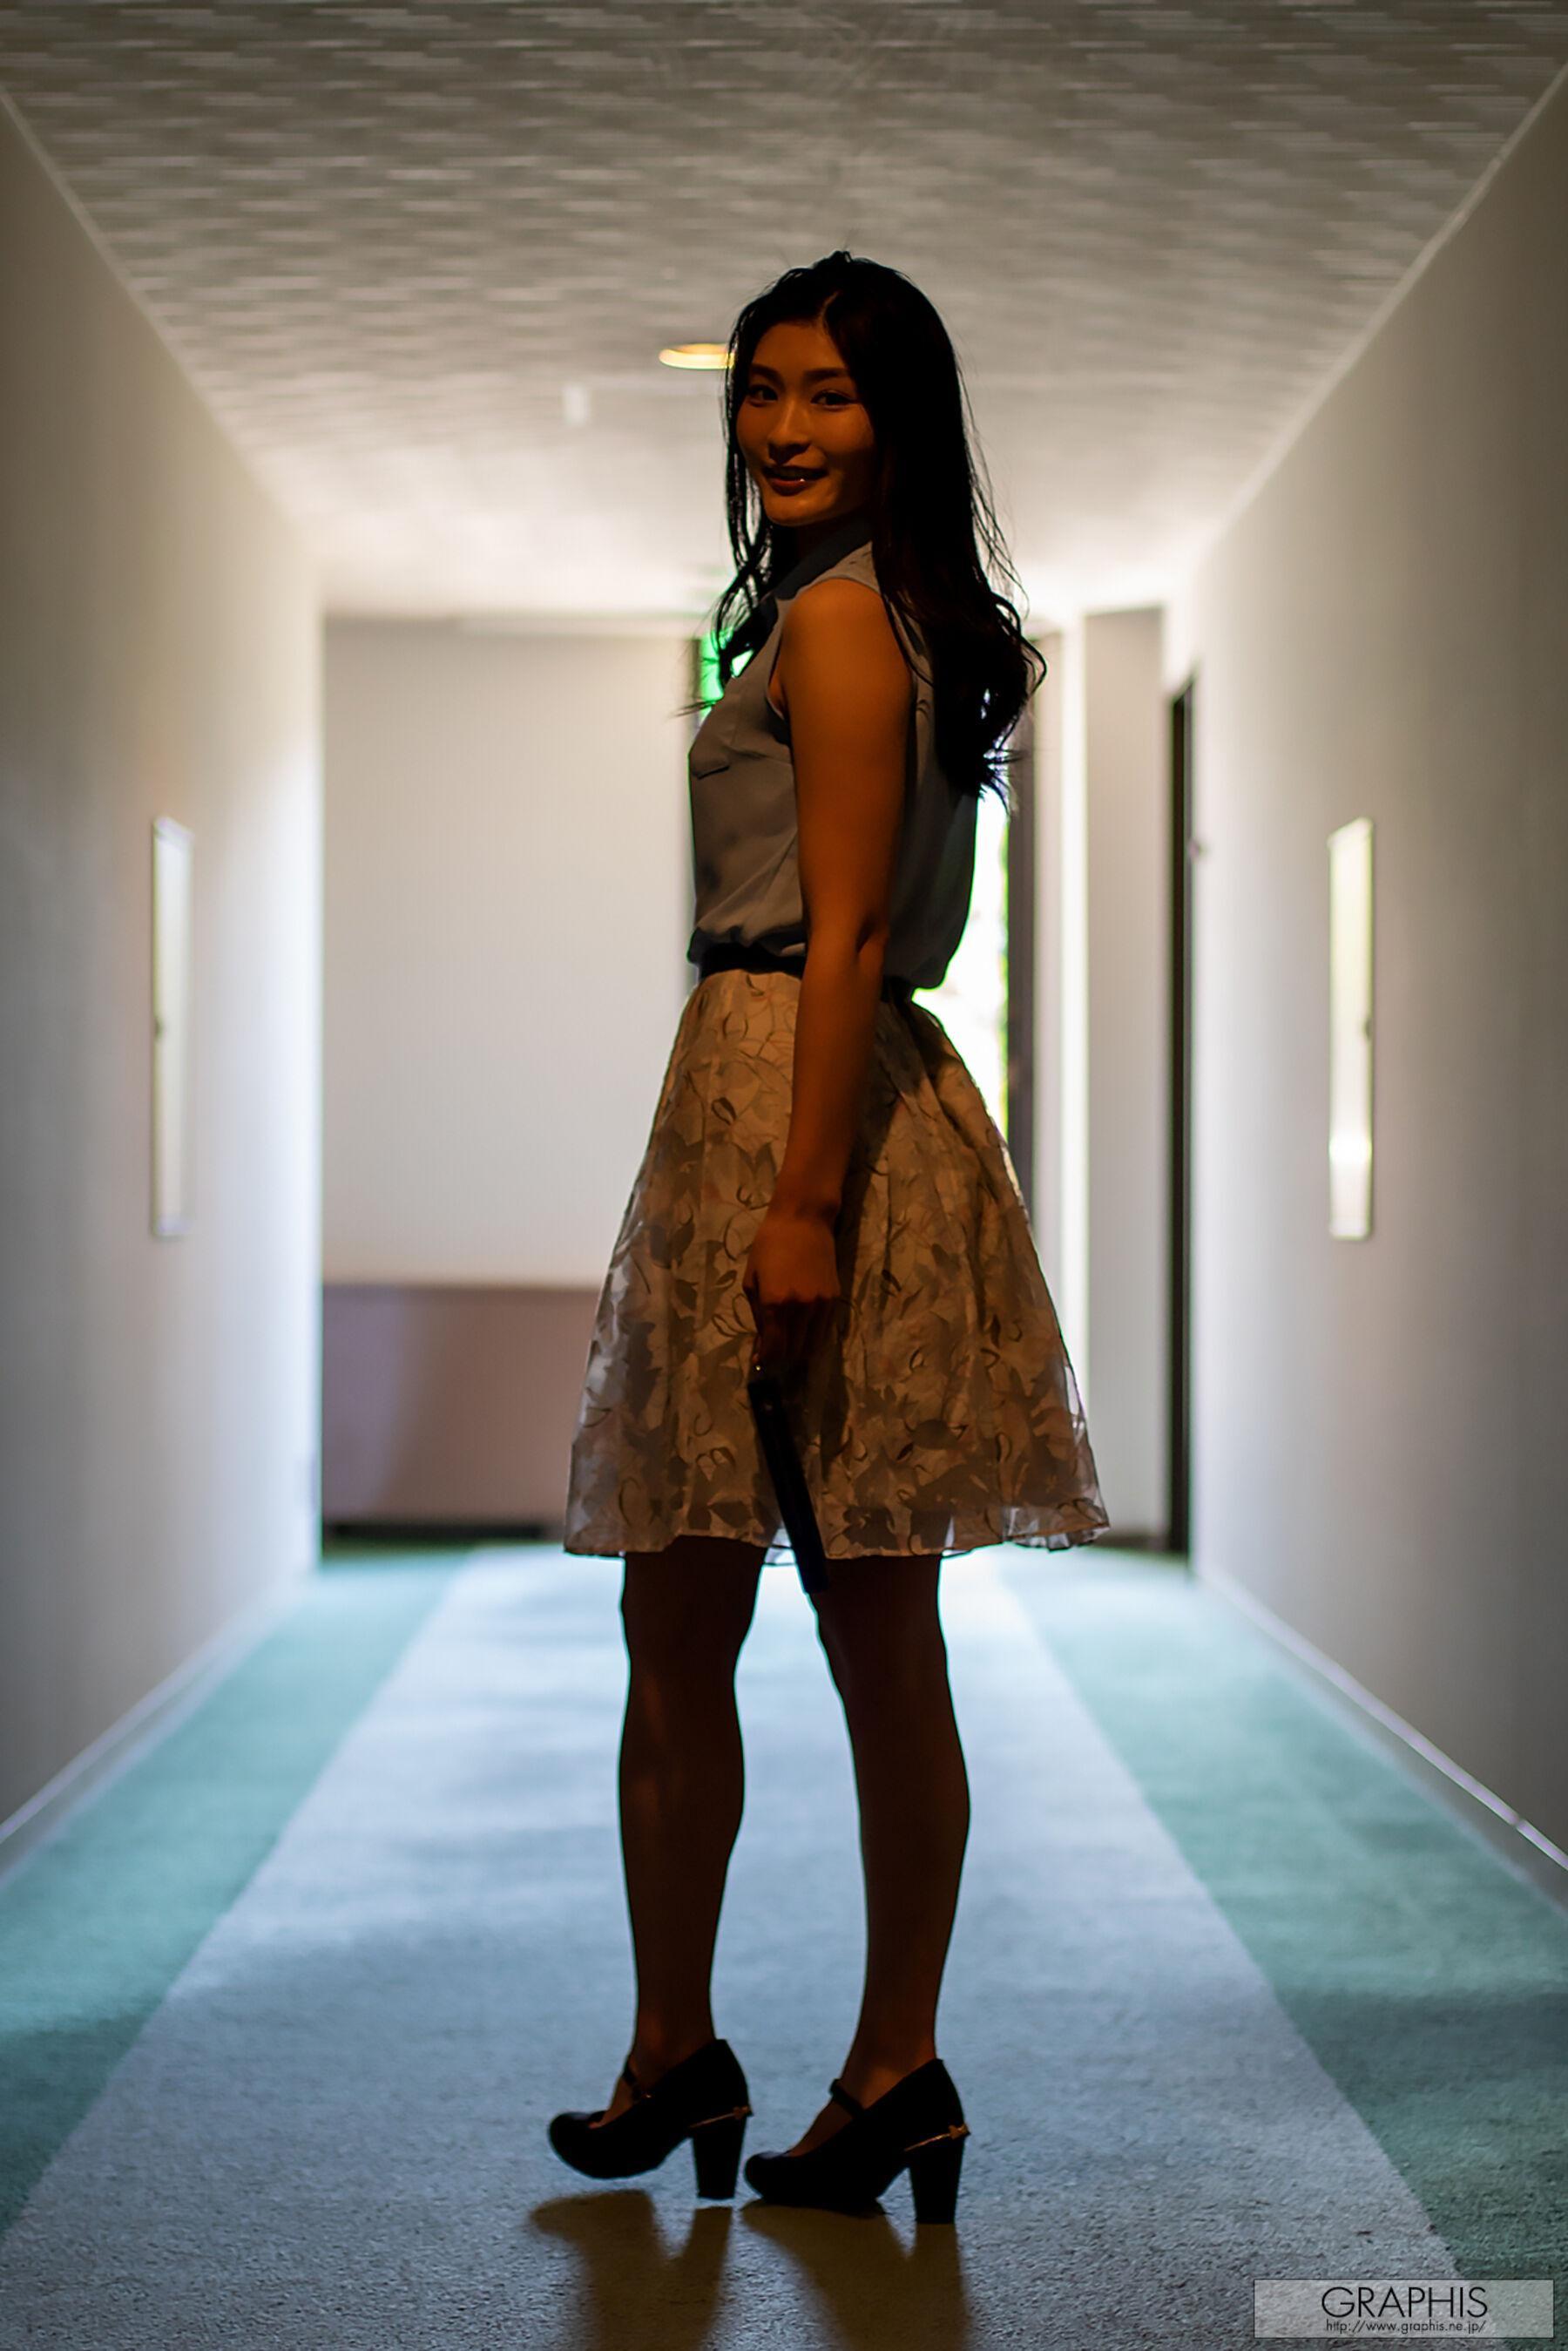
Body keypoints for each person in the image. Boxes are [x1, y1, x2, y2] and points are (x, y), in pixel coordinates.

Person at [549, 250, 1107, 2224]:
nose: (782, 426)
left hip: (808, 1109)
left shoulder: (853, 620)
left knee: (866, 1629)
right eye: (763, 388)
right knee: (692, 1617)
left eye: (831, 395)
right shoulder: (841, 608)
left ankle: (890, 2064)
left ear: (901, 424)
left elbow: (854, 930)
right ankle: (683, 2048)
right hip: (775, 1092)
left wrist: (800, 1208)